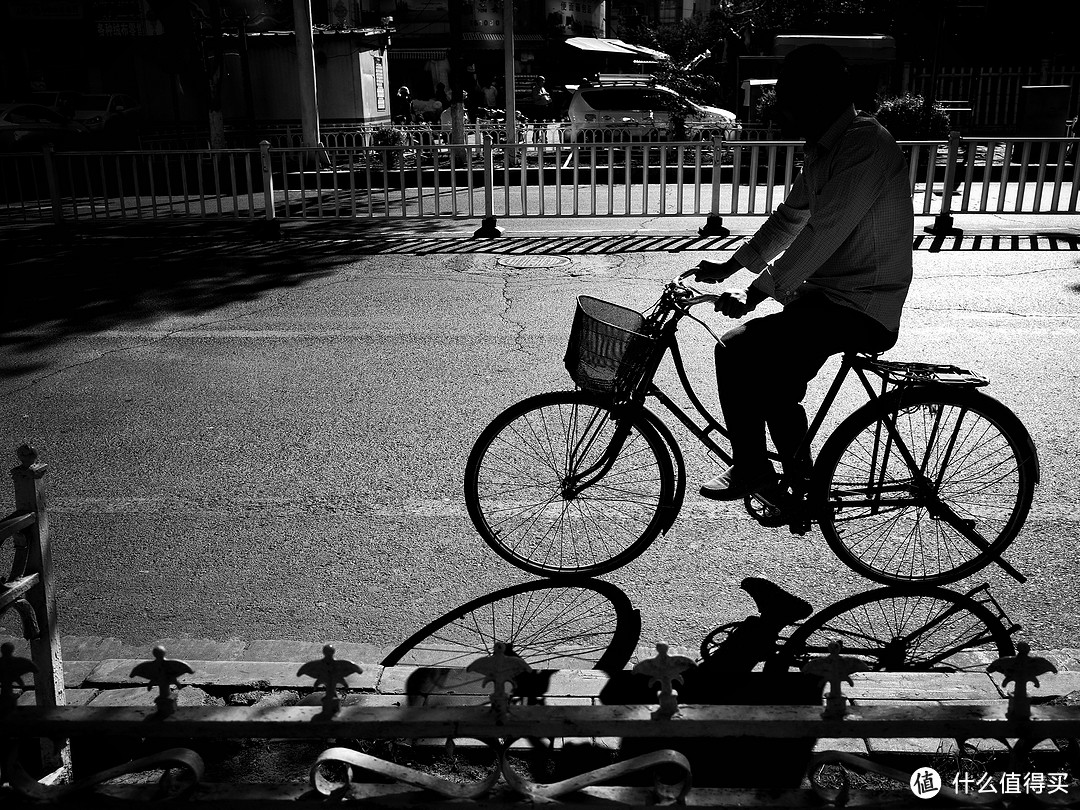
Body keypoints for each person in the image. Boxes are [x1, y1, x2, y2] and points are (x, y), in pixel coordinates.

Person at [682, 43, 914, 502]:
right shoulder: (828, 148)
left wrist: (755, 291)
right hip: (829, 297)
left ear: (819, 99)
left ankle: (751, 468)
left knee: (735, 351)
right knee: (773, 378)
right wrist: (732, 265)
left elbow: (820, 235)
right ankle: (801, 481)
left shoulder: (863, 145)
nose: (784, 114)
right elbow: (790, 218)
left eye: (790, 101)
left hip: (863, 304)